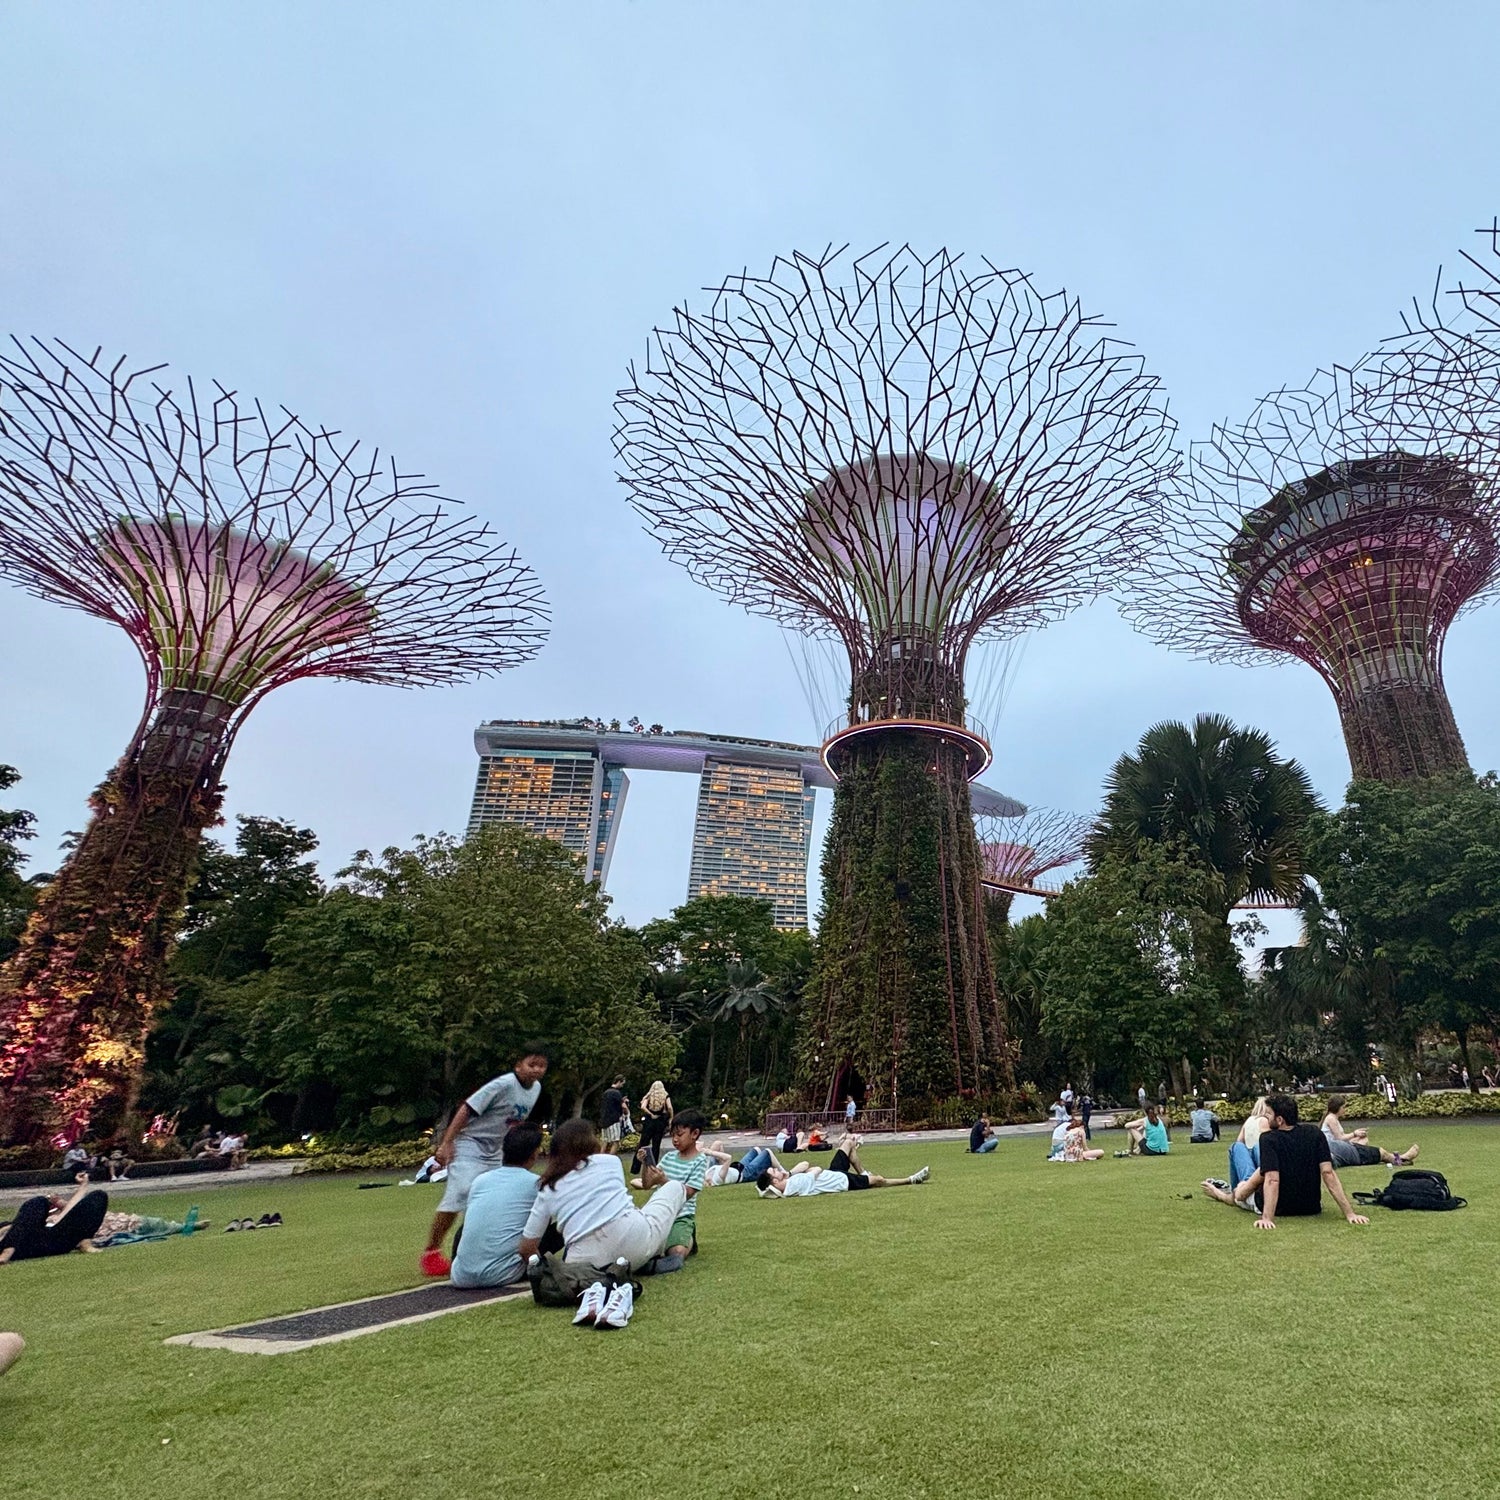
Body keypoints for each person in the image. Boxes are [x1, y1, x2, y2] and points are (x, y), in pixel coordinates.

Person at [421, 1044, 550, 1277]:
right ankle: (431, 1251)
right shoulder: (503, 1084)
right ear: (518, 1064)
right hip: (471, 1143)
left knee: (499, 1197)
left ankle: (486, 1249)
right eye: (532, 1064)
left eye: (542, 1066)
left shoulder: (536, 1089)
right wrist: (447, 1143)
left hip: (497, 1150)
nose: (536, 1070)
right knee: (460, 1193)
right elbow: (466, 1109)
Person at [517, 1119, 689, 1272]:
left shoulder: (549, 1186)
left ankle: (634, 1264)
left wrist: (544, 1272)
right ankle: (651, 1257)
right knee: (674, 1187)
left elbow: (526, 1249)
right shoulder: (610, 1161)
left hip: (584, 1265)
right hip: (636, 1243)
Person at [1202, 1094, 1370, 1230]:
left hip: (1276, 1206)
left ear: (1280, 1119)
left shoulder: (1269, 1138)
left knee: (1237, 1154)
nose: (1265, 1118)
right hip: (1310, 1206)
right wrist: (1350, 1214)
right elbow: (1328, 1173)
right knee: (1251, 1163)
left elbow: (1272, 1179)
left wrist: (1267, 1217)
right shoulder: (1314, 1133)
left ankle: (1221, 1193)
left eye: (1268, 1114)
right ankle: (1234, 1189)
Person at [450, 1124, 544, 1289]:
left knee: (466, 1227)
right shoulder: (536, 1183)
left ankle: (468, 1263)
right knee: (546, 1226)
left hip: (460, 1276)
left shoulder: (480, 1181)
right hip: (503, 1274)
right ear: (534, 1154)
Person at [757, 1136, 929, 1197]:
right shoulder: (793, 1186)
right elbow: (814, 1169)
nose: (778, 1170)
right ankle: (910, 1180)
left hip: (831, 1173)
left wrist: (788, 1172)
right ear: (774, 1181)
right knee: (878, 1180)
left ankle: (863, 1172)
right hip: (840, 1181)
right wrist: (803, 1173)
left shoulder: (789, 1179)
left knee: (848, 1144)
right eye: (775, 1172)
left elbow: (807, 1164)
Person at [648, 1108, 709, 1273]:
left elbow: (688, 1192)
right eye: (672, 1135)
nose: (675, 1139)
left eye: (679, 1135)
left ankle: (685, 1239)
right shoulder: (668, 1158)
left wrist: (664, 1181)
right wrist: (646, 1165)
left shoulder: (700, 1160)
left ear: (695, 1134)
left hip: (681, 1216)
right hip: (660, 1214)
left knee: (676, 1253)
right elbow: (647, 1184)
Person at [0, 1175, 110, 1262]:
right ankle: (8, 1250)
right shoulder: (17, 1225)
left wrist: (83, 1186)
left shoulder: (42, 1222)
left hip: (54, 1240)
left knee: (99, 1195)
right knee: (38, 1201)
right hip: (21, 1245)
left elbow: (68, 1212)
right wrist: (9, 1228)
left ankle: (85, 1242)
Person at [1319, 1096, 1419, 1169]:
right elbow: (1339, 1138)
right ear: (1338, 1107)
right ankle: (1401, 1158)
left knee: (1364, 1140)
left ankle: (1399, 1157)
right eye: (1344, 1107)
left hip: (1343, 1150)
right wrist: (1354, 1133)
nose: (1345, 1109)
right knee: (1382, 1152)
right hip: (1343, 1150)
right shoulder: (1331, 1119)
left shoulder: (1332, 1118)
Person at [632, 1080, 673, 1172]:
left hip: (649, 1121)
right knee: (656, 1145)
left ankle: (635, 1167)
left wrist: (650, 1114)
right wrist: (671, 1117)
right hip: (660, 1121)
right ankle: (653, 1167)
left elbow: (643, 1106)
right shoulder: (665, 1095)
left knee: (643, 1143)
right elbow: (669, 1107)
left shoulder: (649, 1095)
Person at [599, 1076, 628, 1153]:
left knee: (605, 1141)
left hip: (604, 1120)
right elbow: (623, 1106)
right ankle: (611, 1159)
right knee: (615, 1142)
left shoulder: (606, 1092)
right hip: (613, 1120)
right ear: (618, 1082)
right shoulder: (616, 1093)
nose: (622, 1086)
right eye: (622, 1083)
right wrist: (626, 1111)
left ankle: (601, 1158)